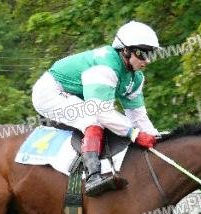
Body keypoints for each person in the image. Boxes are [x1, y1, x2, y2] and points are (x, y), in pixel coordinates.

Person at [32, 21, 160, 196]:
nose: (148, 60)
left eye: (150, 54)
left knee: (121, 124)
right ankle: (93, 176)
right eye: (142, 54)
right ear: (125, 50)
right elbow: (101, 112)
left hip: (77, 96)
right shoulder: (105, 66)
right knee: (93, 120)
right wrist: (134, 134)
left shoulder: (135, 78)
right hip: (50, 92)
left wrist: (157, 139)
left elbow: (138, 117)